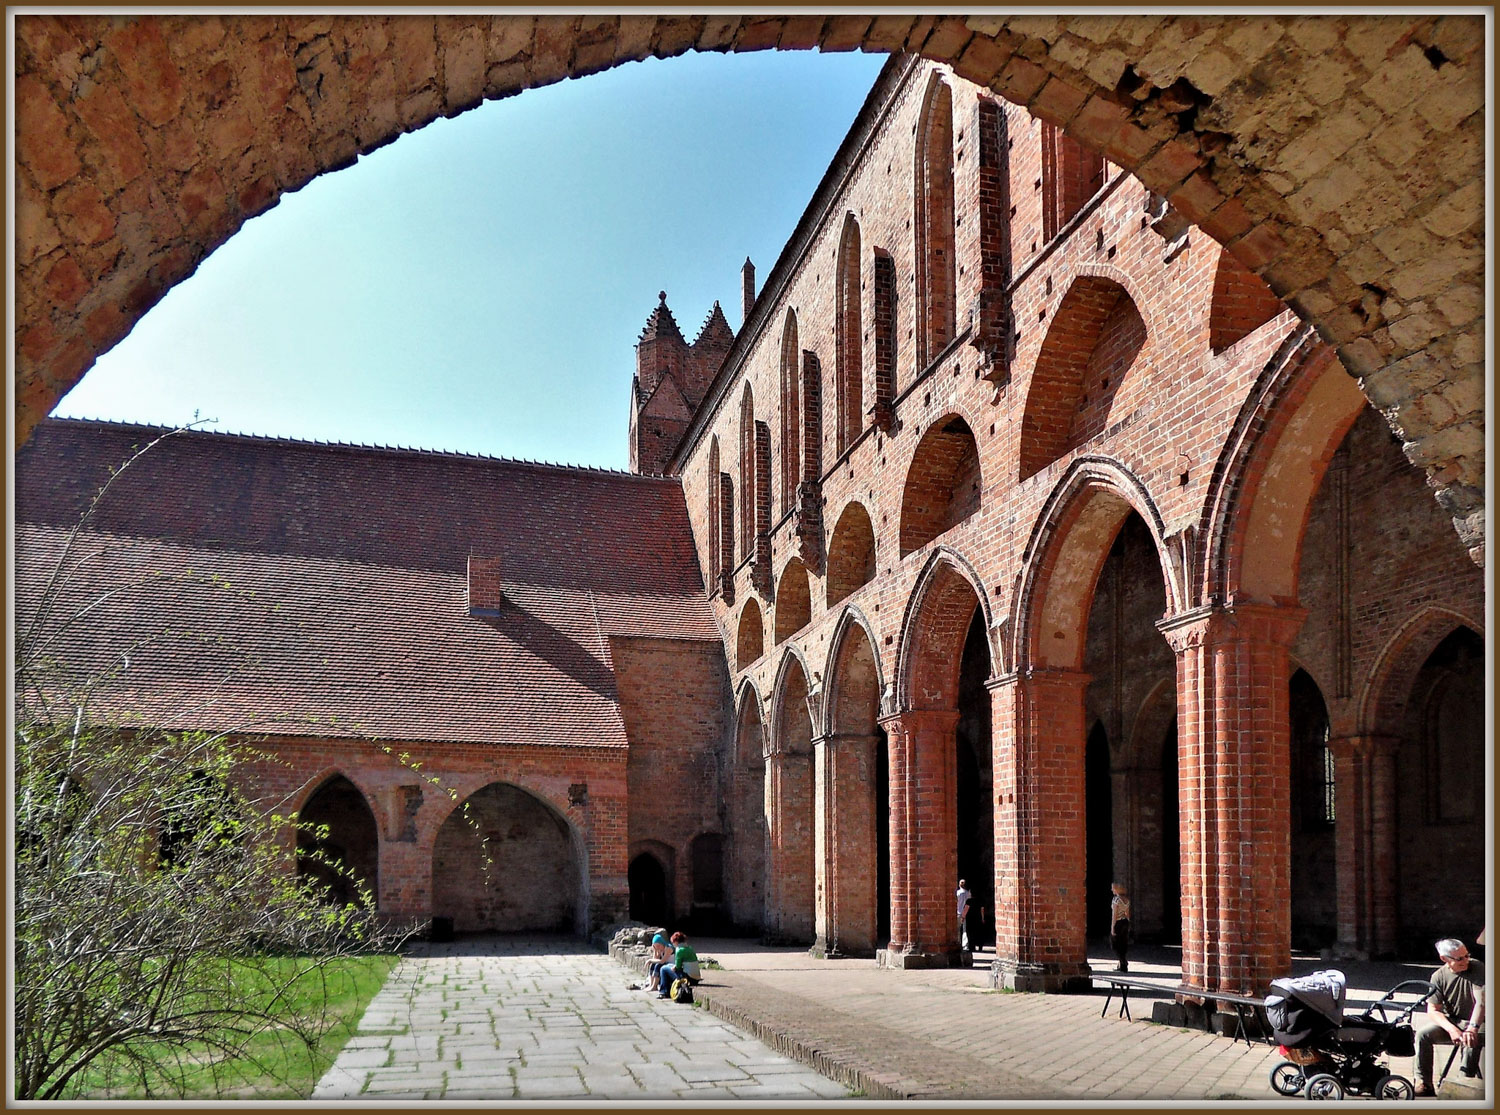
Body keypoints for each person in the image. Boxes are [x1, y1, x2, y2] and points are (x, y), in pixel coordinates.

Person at [1413, 937, 1486, 1095]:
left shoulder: (1478, 968)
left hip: (1481, 1021)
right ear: (1444, 958)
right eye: (1459, 958)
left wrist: (1472, 1027)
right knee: (1423, 1035)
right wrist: (1451, 1029)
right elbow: (1433, 1010)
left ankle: (1463, 1082)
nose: (1465, 960)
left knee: (1471, 1039)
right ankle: (1424, 1083)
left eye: (1467, 955)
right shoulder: (1438, 977)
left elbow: (1482, 1002)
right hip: (1455, 1020)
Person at [656, 931, 701, 999]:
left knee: (663, 968)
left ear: (676, 942)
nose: (673, 944)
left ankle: (664, 992)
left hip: (688, 978)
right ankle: (667, 989)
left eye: (673, 943)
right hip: (696, 978)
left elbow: (678, 967)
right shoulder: (690, 948)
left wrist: (674, 967)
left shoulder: (679, 950)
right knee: (668, 966)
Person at [1110, 883, 1132, 972]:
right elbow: (1127, 914)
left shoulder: (1116, 900)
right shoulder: (1126, 900)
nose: (1112, 890)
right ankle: (1122, 964)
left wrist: (1112, 927)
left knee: (1115, 944)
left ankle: (1123, 962)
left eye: (1113, 888)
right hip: (1125, 922)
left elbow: (1114, 915)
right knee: (1123, 943)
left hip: (1118, 923)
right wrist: (1128, 924)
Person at [956, 879, 972, 951]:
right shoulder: (968, 893)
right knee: (965, 930)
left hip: (958, 912)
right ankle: (965, 945)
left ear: (959, 885)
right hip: (966, 912)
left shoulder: (957, 893)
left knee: (957, 929)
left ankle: (958, 943)